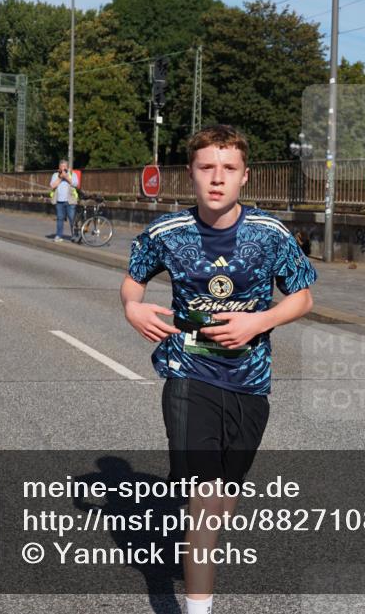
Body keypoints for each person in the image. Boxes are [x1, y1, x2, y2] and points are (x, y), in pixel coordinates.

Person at [121, 125, 316, 614]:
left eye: (228, 169)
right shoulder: (167, 233)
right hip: (189, 374)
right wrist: (133, 309)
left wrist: (258, 322)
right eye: (206, 167)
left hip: (250, 381)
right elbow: (132, 282)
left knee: (225, 499)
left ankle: (197, 557)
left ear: (244, 176)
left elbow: (304, 296)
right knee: (204, 499)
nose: (216, 178)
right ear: (191, 173)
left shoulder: (270, 235)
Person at [49, 159, 79, 242]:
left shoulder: (72, 174)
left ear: (67, 167)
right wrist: (60, 178)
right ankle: (59, 235)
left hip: (70, 201)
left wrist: (66, 177)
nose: (63, 168)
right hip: (59, 201)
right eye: (62, 167)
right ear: (59, 167)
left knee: (72, 219)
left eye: (65, 167)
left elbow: (76, 184)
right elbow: (52, 186)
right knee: (60, 219)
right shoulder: (55, 175)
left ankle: (75, 235)